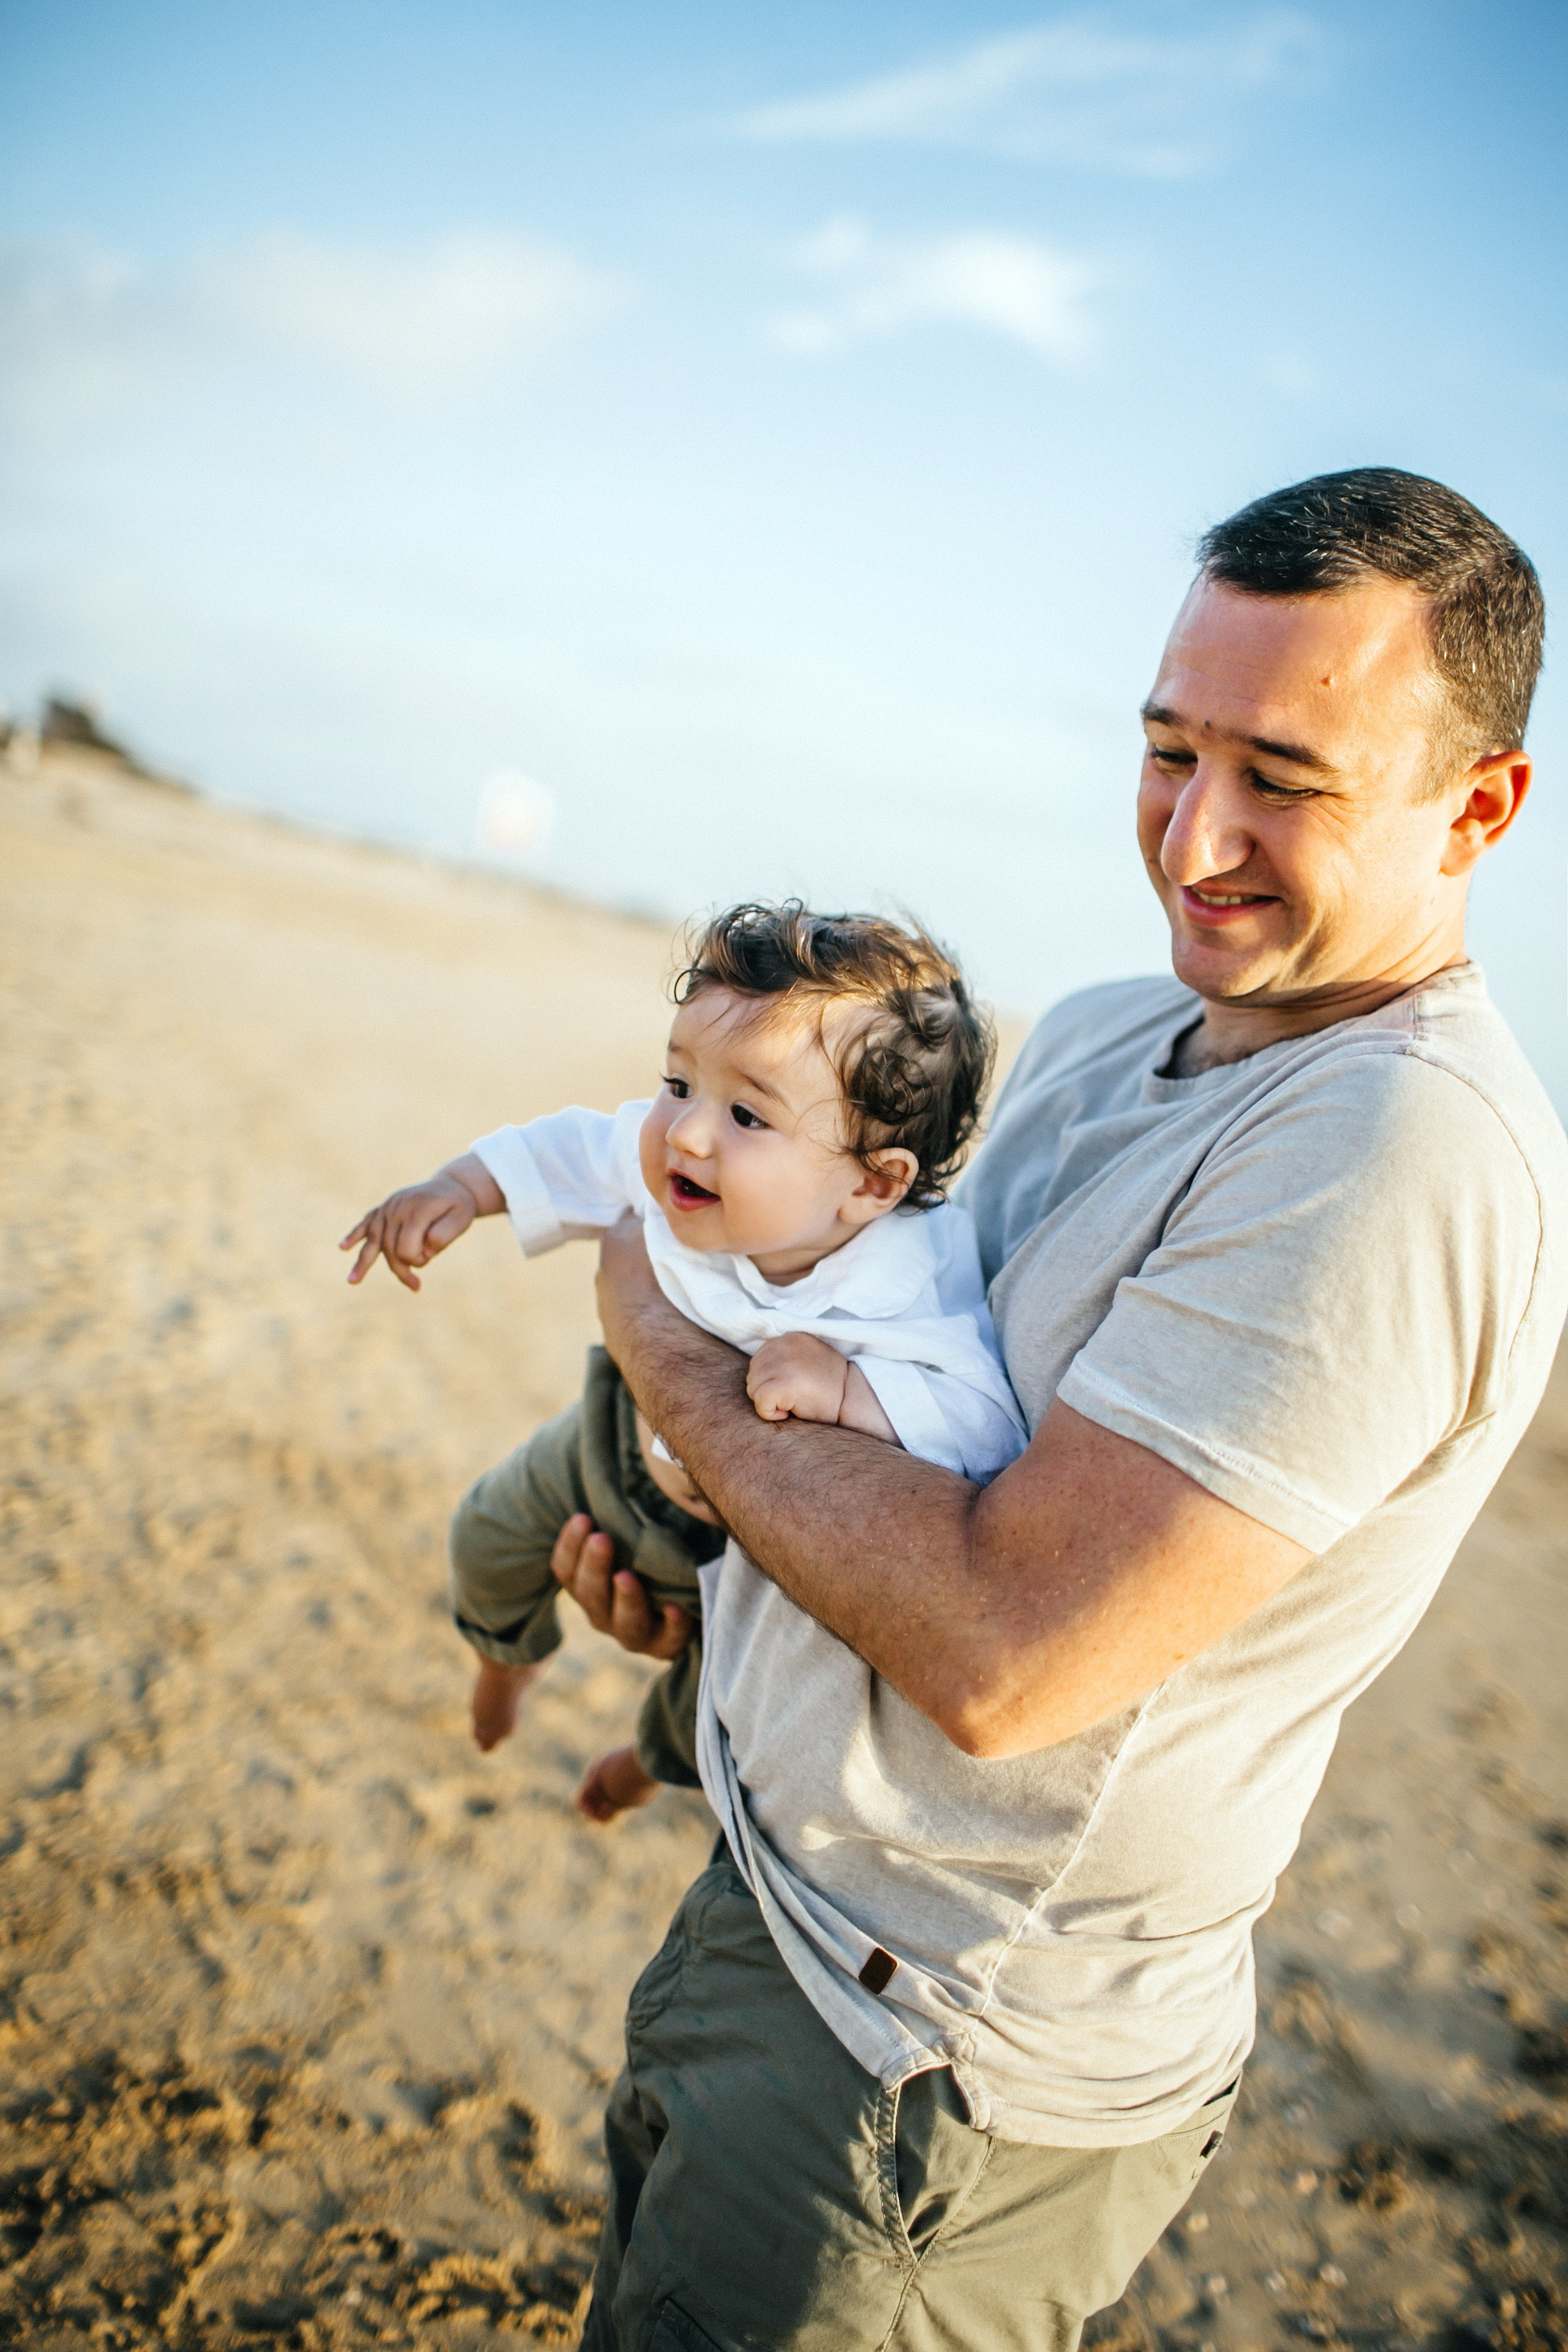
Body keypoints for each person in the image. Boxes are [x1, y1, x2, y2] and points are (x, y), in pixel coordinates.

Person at [562, 468, 1568, 2351]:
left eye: (1287, 775)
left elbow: (1008, 1647)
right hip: (778, 1915)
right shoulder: (1113, 1024)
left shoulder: (1403, 1150)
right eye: (1171, 750)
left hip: (928, 2072)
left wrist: (660, 1345)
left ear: (1480, 807)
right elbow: (914, 1414)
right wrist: (711, 1586)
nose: (1197, 839)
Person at [340, 905, 1025, 1819]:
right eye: (677, 1083)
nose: (687, 1134)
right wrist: (458, 1190)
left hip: (750, 1549)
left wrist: (851, 1389)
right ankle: (507, 1656)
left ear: (873, 1184)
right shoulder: (672, 1154)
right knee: (486, 1534)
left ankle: (642, 1764)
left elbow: (983, 1423)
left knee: (728, 1705)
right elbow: (571, 1148)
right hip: (617, 1432)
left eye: (746, 1113)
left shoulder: (903, 1285)